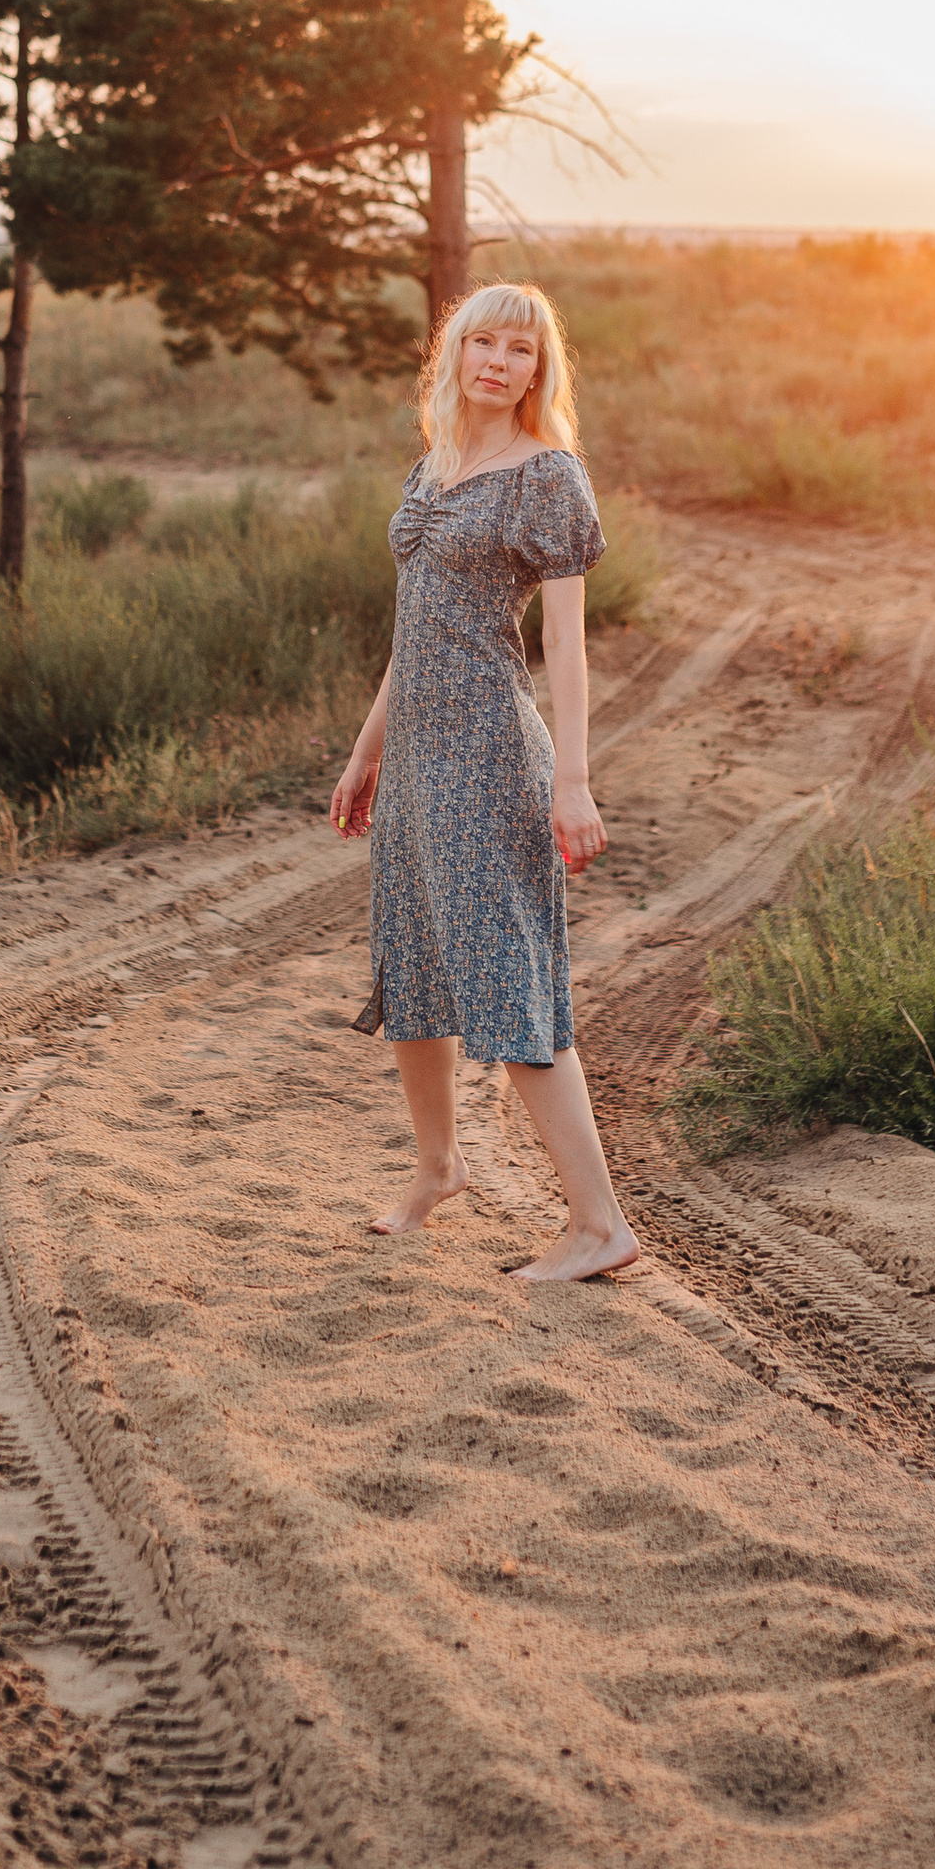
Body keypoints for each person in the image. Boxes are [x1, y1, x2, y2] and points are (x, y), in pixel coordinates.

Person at [330, 281, 641, 1284]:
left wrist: (575, 780)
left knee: (510, 986)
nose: (500, 362)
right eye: (484, 342)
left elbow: (563, 644)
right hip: (417, 754)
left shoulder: (546, 477)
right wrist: (367, 749)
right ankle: (439, 1168)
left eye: (522, 349)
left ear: (539, 370)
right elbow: (413, 627)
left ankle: (599, 1226)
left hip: (490, 752)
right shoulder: (436, 466)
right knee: (413, 968)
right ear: (455, 352)